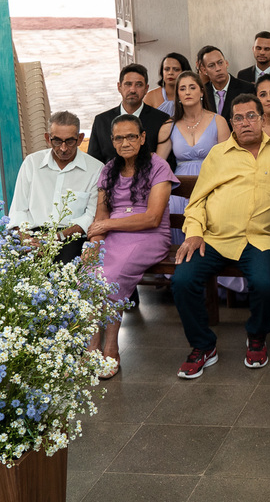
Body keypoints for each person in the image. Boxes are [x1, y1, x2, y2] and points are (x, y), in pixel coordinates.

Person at [172, 94, 270, 379]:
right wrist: (194, 233)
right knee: (182, 280)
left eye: (251, 116)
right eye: (238, 117)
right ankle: (203, 345)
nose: (245, 122)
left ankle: (257, 336)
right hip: (214, 237)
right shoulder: (218, 154)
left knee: (264, 284)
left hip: (257, 238)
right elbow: (197, 200)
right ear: (232, 123)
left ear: (263, 119)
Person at [87, 114, 177, 378]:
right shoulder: (109, 168)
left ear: (142, 138)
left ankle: (112, 348)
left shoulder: (157, 166)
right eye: (119, 138)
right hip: (113, 233)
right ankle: (91, 346)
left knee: (112, 276)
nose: (125, 142)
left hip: (148, 235)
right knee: (89, 274)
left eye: (131, 136)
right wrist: (94, 244)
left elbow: (152, 217)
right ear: (112, 141)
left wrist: (108, 227)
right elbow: (101, 215)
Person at [9, 111, 104, 264]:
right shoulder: (32, 163)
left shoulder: (95, 168)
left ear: (80, 139)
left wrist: (58, 237)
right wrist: (27, 239)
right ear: (48, 138)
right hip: (33, 234)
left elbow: (91, 215)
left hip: (69, 236)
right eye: (57, 141)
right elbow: (19, 209)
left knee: (63, 273)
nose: (64, 148)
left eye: (70, 141)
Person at [155, 71, 230, 243]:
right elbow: (159, 164)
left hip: (211, 184)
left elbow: (226, 161)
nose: (187, 92)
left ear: (202, 92)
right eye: (182, 88)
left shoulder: (218, 121)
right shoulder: (169, 126)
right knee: (172, 208)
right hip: (179, 187)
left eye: (192, 87)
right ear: (178, 95)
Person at [87, 64, 171, 164]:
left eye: (139, 85)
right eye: (128, 84)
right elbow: (93, 162)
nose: (133, 90)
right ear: (119, 87)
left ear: (146, 89)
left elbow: (169, 162)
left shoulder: (161, 120)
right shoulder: (101, 121)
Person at [198, 45, 256, 122]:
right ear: (204, 70)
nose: (218, 68)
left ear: (226, 63)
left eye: (220, 63)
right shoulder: (202, 92)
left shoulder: (248, 89)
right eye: (211, 66)